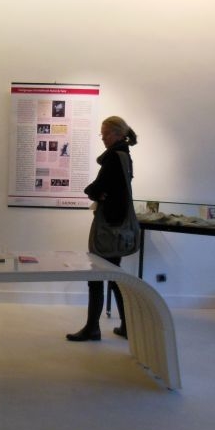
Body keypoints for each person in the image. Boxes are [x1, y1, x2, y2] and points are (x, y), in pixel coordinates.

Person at [67, 116, 137, 342]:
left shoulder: (114, 158)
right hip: (117, 225)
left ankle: (93, 328)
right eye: (102, 134)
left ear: (118, 134)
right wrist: (100, 192)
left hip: (109, 225)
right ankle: (126, 326)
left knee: (97, 275)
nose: (103, 138)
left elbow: (95, 188)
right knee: (114, 275)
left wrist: (94, 192)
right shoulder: (125, 156)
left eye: (106, 134)